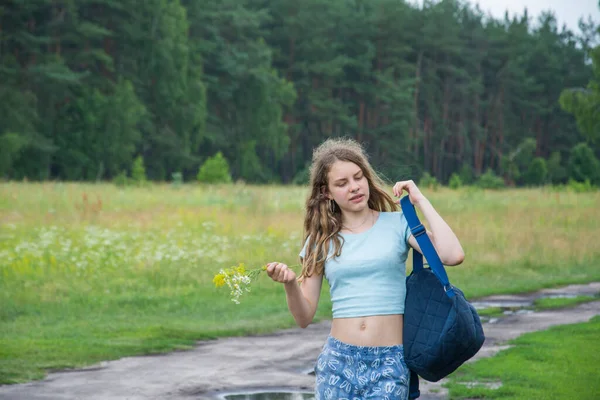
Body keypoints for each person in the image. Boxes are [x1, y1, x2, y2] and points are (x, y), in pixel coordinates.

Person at [266, 138, 464, 400]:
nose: (354, 187)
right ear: (326, 192)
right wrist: (290, 284)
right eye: (342, 183)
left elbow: (453, 255)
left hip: (389, 362)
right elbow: (304, 317)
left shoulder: (398, 224)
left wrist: (421, 200)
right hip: (337, 362)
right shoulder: (321, 239)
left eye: (358, 177)